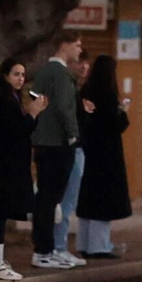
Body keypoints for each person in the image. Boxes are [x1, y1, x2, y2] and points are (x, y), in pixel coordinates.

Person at [0, 58, 49, 280]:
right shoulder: (4, 101)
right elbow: (17, 132)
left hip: (3, 166)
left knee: (0, 214)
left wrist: (32, 114)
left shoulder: (9, 98)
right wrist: (33, 113)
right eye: (16, 74)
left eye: (22, 75)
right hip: (2, 168)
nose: (20, 79)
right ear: (5, 75)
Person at [29, 29, 84, 269]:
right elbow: (63, 107)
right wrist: (72, 134)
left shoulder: (42, 73)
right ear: (64, 46)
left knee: (45, 198)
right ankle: (44, 251)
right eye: (77, 45)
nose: (79, 50)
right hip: (58, 143)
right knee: (52, 198)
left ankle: (46, 248)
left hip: (42, 141)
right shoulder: (61, 75)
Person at [77, 55, 133, 258]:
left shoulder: (86, 91)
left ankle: (84, 243)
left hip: (88, 151)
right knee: (104, 200)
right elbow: (116, 125)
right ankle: (99, 246)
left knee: (88, 198)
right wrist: (123, 111)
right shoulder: (107, 96)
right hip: (107, 155)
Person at [52, 55, 92, 266]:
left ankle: (57, 246)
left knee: (65, 203)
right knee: (64, 203)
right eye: (79, 60)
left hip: (73, 150)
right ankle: (57, 247)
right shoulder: (67, 90)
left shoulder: (75, 90)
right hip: (69, 151)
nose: (84, 66)